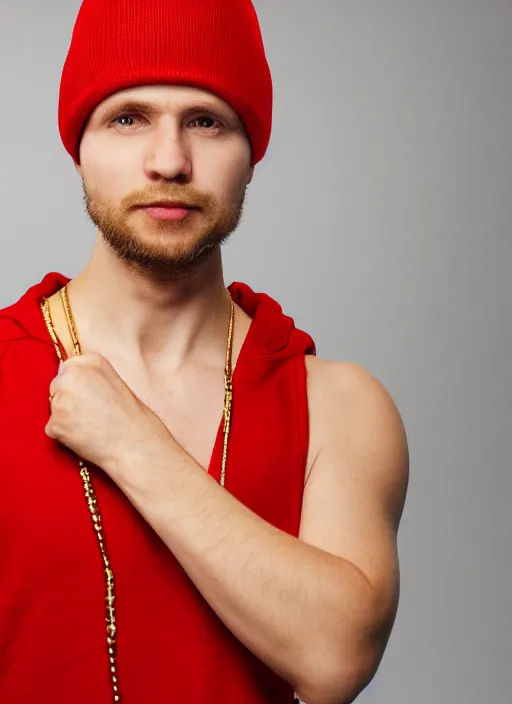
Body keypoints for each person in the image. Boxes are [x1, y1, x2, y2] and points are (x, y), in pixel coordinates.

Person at [0, 1, 409, 702]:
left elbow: (337, 658)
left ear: (251, 151)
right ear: (79, 146)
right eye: (128, 117)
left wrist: (133, 443)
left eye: (206, 121)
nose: (169, 161)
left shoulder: (335, 403)